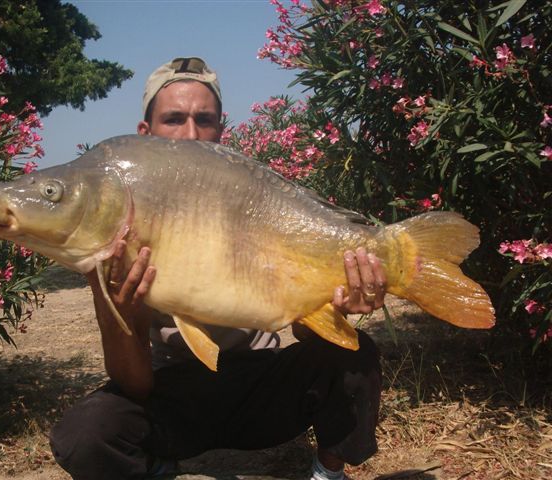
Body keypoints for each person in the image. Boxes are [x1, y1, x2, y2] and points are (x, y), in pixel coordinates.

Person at [49, 57, 386, 480]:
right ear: (145, 133)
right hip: (173, 390)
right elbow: (134, 384)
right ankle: (156, 467)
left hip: (261, 386)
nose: (190, 133)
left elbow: (303, 330)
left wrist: (341, 301)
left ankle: (327, 471)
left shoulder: (252, 195)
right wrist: (111, 301)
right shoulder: (119, 219)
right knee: (84, 434)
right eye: (173, 119)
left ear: (221, 130)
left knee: (357, 355)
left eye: (203, 120)